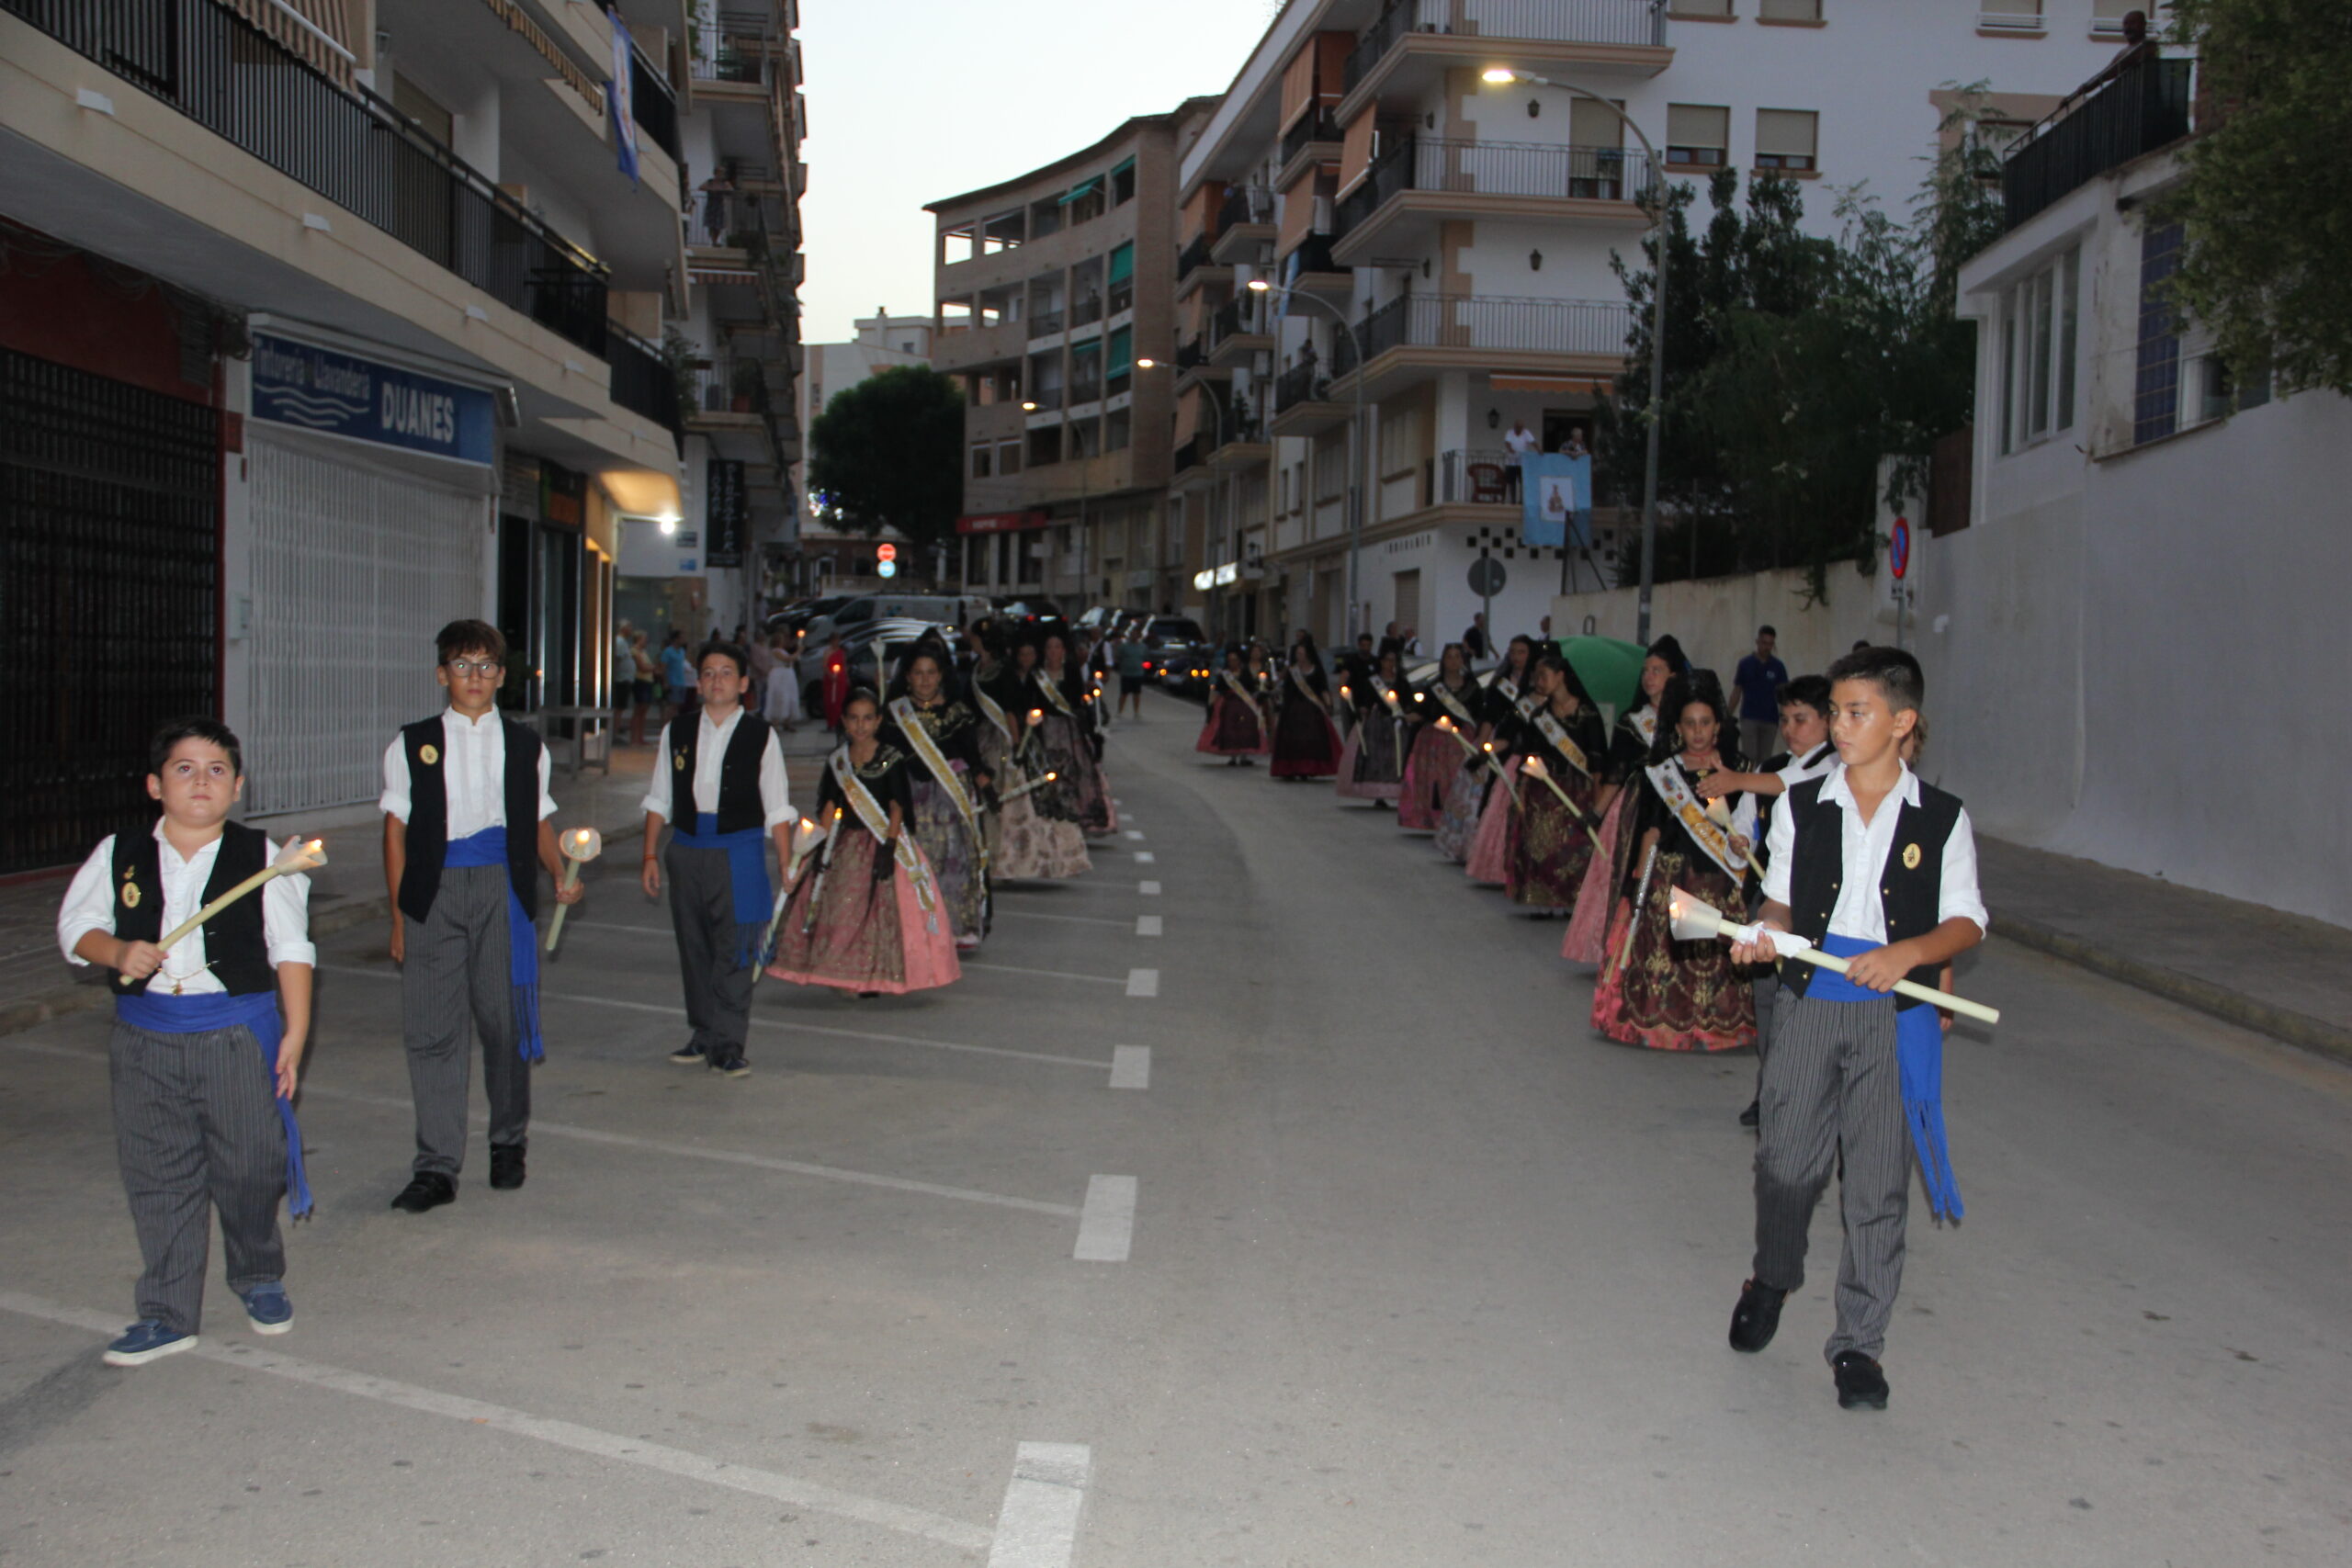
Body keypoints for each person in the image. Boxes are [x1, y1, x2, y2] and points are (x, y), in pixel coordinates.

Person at [1724, 646, 1986, 1414]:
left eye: (1855, 712)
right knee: (1785, 1163)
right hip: (1810, 996)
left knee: (1876, 1184)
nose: (1839, 726)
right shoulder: (1803, 806)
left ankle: (1859, 1345)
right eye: (1835, 711)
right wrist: (1763, 930)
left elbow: (1967, 918)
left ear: (1902, 722)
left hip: (1891, 1011)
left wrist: (1908, 955)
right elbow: (1778, 900)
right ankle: (1773, 1273)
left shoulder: (1941, 818)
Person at [58, 718, 316, 1367]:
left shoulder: (264, 857)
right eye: (184, 768)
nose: (201, 780)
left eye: (217, 769)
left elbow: (290, 948)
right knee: (158, 1172)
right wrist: (116, 949)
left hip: (234, 1032)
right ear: (154, 784)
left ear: (237, 786)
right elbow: (76, 926)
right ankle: (168, 1311)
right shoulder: (119, 853)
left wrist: (297, 1030)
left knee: (251, 1165)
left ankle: (257, 1269)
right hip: (147, 1039)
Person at [381, 621, 582, 1212]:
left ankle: (507, 1142)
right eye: (463, 666)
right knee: (432, 1031)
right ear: (442, 674)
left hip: (502, 889)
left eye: (487, 666)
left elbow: (539, 823)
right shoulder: (411, 743)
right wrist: (399, 918)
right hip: (432, 893)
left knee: (504, 1021)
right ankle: (437, 1166)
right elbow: (395, 835)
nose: (476, 677)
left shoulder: (525, 746)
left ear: (502, 675)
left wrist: (557, 871)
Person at [641, 641, 794, 1077]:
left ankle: (727, 1043)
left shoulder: (762, 735)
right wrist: (650, 854)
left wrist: (785, 863)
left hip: (739, 852)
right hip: (687, 849)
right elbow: (659, 796)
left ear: (744, 683)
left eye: (726, 672)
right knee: (695, 947)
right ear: (698, 680)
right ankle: (703, 1032)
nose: (716, 680)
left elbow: (778, 806)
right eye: (708, 672)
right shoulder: (678, 731)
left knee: (736, 948)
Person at [1588, 671, 1758, 1053]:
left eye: (1705, 723)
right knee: (1666, 955)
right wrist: (1640, 883)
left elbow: (1749, 826)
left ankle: (1716, 1027)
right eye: (1690, 724)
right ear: (1679, 727)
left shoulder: (1740, 771)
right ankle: (1664, 1024)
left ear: (1718, 726)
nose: (1698, 731)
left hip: (1719, 876)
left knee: (1714, 953)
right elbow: (1650, 831)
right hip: (1670, 876)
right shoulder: (1659, 774)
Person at [1700, 674, 1837, 1127]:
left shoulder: (1833, 768)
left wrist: (1735, 777)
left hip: (1813, 906)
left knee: (1806, 1003)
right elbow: (1744, 818)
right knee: (1768, 1000)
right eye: (1785, 719)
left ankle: (1809, 1096)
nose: (1791, 729)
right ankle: (1770, 1090)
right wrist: (1738, 840)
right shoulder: (1772, 766)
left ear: (1828, 722)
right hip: (1770, 900)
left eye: (1802, 719)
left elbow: (1790, 786)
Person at [765, 689, 963, 996]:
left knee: (882, 913)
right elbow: (830, 806)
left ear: (878, 721)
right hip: (845, 844)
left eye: (868, 718)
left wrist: (890, 844)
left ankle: (875, 976)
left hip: (882, 841)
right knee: (841, 910)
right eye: (854, 719)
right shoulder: (838, 761)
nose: (861, 725)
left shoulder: (891, 758)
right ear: (844, 721)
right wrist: (817, 843)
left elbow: (898, 804)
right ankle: (841, 973)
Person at [1562, 636, 1690, 964]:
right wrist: (1596, 812)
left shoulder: (1690, 722)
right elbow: (1616, 773)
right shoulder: (1633, 722)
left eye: (1657, 670)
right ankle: (1623, 947)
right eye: (1646, 670)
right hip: (1637, 810)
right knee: (1629, 875)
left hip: (1680, 811)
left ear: (1674, 676)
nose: (1648, 677)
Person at [882, 642, 993, 950]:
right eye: (918, 673)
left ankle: (954, 928)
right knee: (915, 861)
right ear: (907, 677)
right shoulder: (894, 714)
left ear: (941, 675)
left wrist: (985, 781)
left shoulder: (957, 713)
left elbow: (972, 754)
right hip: (908, 795)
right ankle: (913, 925)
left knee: (953, 859)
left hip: (950, 797)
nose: (925, 679)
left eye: (931, 673)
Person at [1500, 650, 1608, 912]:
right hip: (1544, 789)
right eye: (1537, 676)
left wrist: (1597, 795)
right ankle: (1543, 899)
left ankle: (1571, 899)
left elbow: (1597, 759)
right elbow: (1530, 756)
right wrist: (1523, 792)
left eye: (1544, 676)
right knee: (1542, 843)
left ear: (1561, 677)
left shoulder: (1587, 713)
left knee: (1574, 845)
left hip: (1577, 789)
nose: (1539, 681)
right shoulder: (1539, 717)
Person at [984, 637, 1091, 880]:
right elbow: (1010, 709)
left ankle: (1052, 856)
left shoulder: (1039, 677)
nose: (1027, 659)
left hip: (1041, 742)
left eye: (1031, 654)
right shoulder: (1011, 678)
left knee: (1048, 799)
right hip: (1019, 742)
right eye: (1022, 654)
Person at [1033, 629, 1116, 835]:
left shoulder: (1070, 670)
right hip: (1044, 727)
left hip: (1067, 727)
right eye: (1049, 647)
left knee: (1073, 770)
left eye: (1057, 647)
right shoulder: (1038, 673)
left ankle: (1075, 814)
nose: (1053, 651)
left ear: (1063, 650)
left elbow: (1077, 699)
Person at [1400, 643, 1477, 832]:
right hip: (1434, 740)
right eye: (1449, 656)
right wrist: (1401, 714)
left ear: (1463, 660)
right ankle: (1435, 817)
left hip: (1461, 740)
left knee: (1459, 779)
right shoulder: (1434, 686)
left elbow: (1478, 714)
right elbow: (1422, 712)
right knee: (1434, 779)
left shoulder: (1472, 687)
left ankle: (1457, 818)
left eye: (1457, 656)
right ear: (1443, 660)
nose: (1453, 661)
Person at [1335, 648, 1408, 806]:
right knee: (1376, 755)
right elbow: (1365, 699)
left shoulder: (1401, 681)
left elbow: (1407, 701)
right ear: (1381, 662)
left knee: (1396, 757)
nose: (1390, 663)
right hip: (1377, 721)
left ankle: (1397, 790)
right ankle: (1378, 793)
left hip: (1396, 723)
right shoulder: (1373, 681)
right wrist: (1363, 708)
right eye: (1387, 660)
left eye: (1393, 660)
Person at [1270, 634, 1342, 780]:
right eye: (1297, 653)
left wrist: (1328, 704)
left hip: (1312, 710)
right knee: (1292, 741)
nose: (1299, 656)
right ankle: (1291, 768)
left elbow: (1323, 689)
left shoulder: (1316, 670)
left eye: (1301, 653)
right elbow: (1287, 689)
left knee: (1310, 741)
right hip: (1293, 709)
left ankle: (1307, 768)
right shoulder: (1292, 671)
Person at [1197, 645, 1268, 765]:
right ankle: (1233, 756)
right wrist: (1211, 704)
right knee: (1230, 730)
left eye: (1235, 660)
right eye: (1230, 660)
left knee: (1246, 729)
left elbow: (1250, 688)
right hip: (1229, 705)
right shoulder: (1225, 674)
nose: (1232, 662)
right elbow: (1218, 689)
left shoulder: (1245, 672)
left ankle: (1244, 755)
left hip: (1245, 705)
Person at [1732, 626, 1791, 767]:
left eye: (1770, 644)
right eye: (1764, 643)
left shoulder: (1778, 666)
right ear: (1757, 642)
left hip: (1770, 719)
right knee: (1749, 757)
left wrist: (1786, 717)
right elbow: (1737, 690)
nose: (1766, 647)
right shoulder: (1745, 664)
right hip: (1750, 717)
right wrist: (1728, 713)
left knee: (1765, 760)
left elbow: (1784, 694)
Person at [763, 628, 803, 732]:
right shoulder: (775, 651)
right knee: (778, 697)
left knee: (789, 697)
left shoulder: (783, 650)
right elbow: (787, 659)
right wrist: (799, 651)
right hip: (778, 676)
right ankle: (775, 721)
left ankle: (787, 721)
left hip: (787, 675)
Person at [1114, 624, 1152, 722]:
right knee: (1124, 693)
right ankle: (1120, 711)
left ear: (1139, 636)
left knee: (1137, 694)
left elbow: (1146, 659)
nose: (1134, 636)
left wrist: (1145, 667)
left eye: (1136, 634)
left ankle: (1136, 712)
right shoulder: (1124, 646)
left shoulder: (1143, 647)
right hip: (1126, 673)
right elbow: (1118, 657)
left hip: (1138, 673)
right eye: (1132, 634)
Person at [628, 629, 659, 746]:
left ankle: (640, 737)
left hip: (647, 681)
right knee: (639, 710)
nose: (646, 641)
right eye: (644, 639)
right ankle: (634, 738)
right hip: (640, 681)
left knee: (643, 711)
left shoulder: (643, 652)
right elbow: (642, 667)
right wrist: (653, 667)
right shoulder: (634, 651)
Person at [820, 628, 852, 737]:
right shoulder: (827, 652)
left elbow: (844, 665)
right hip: (830, 679)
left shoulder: (841, 652)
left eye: (838, 640)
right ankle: (830, 723)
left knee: (840, 701)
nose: (836, 642)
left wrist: (846, 678)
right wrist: (830, 675)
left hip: (840, 679)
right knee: (830, 701)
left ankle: (839, 722)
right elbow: (824, 666)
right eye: (835, 640)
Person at [660, 630, 695, 723]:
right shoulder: (668, 652)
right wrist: (665, 682)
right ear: (676, 639)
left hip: (681, 682)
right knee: (672, 705)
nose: (683, 639)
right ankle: (666, 724)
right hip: (672, 682)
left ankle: (674, 723)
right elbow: (663, 668)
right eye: (681, 638)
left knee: (678, 705)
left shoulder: (682, 651)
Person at [1502, 417, 1540, 502]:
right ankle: (1513, 500)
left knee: (1523, 482)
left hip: (1522, 463)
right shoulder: (1510, 432)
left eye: (1521, 427)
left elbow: (1533, 442)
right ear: (1515, 427)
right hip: (1511, 462)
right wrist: (1510, 449)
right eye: (1518, 427)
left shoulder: (1526, 433)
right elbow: (1507, 442)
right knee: (1511, 483)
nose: (1519, 429)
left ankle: (1522, 500)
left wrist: (1539, 449)